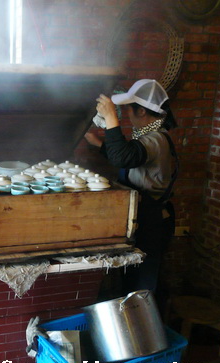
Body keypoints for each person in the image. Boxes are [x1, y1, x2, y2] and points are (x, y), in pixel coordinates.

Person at [85, 79, 178, 295]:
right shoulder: (148, 136)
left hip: (152, 219)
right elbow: (131, 157)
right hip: (141, 215)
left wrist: (110, 117)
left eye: (129, 109)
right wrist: (99, 144)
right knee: (130, 279)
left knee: (142, 283)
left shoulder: (156, 140)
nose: (127, 114)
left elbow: (124, 157)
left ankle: (144, 325)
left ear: (142, 112)